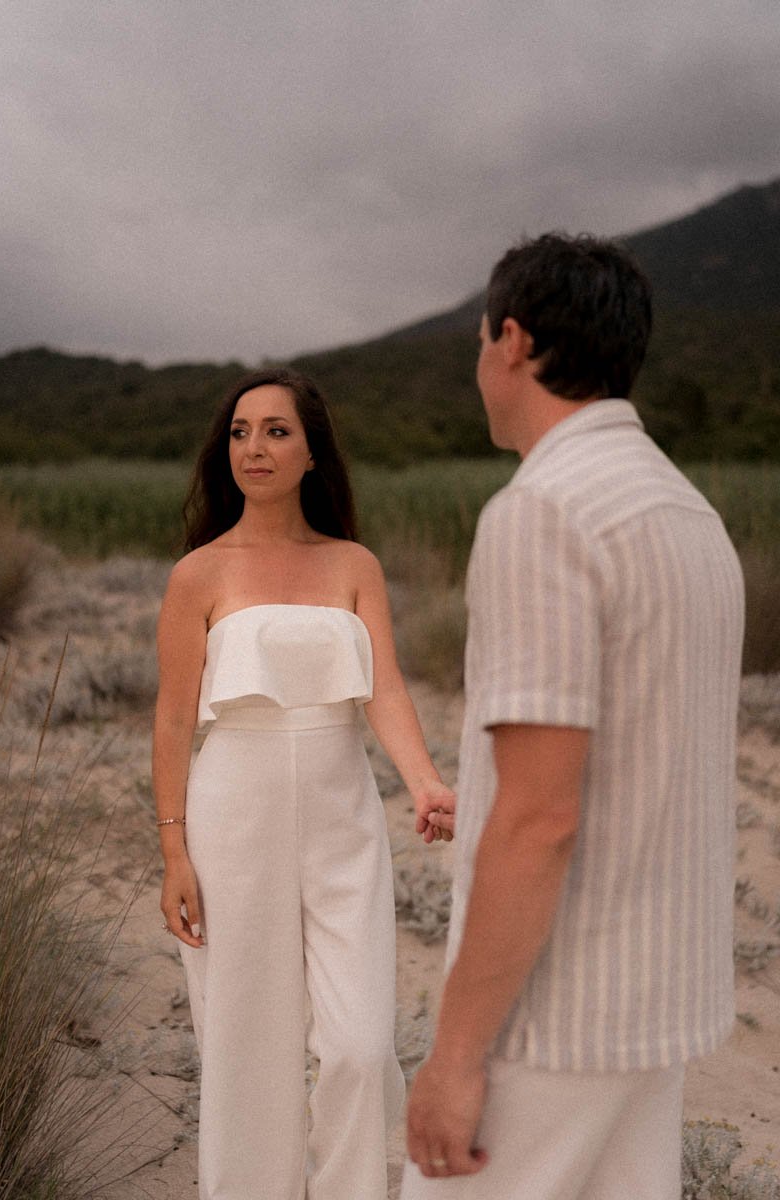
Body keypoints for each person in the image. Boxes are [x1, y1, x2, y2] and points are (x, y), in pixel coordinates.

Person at [403, 233, 744, 1200]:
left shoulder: (543, 510)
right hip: (659, 1005)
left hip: (554, 1014)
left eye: (478, 341)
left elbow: (544, 818)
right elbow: (647, 755)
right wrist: (490, 806)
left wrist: (457, 1057)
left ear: (511, 341)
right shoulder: (689, 515)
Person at [152, 366, 455, 1200]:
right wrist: (174, 851)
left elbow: (384, 688)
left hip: (342, 815)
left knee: (359, 1046)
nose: (256, 446)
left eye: (277, 430)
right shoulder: (199, 575)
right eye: (242, 431)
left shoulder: (355, 563)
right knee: (247, 1046)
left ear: (313, 452)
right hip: (230, 816)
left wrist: (425, 782)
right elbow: (175, 720)